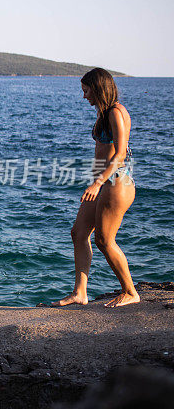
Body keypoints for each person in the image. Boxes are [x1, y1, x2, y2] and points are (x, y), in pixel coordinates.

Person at [52, 68, 138, 307]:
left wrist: (97, 182)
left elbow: (120, 154)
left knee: (104, 240)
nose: (84, 96)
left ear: (98, 89)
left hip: (116, 183)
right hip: (102, 184)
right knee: (79, 233)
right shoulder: (105, 113)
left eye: (86, 90)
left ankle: (130, 292)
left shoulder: (115, 112)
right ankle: (80, 293)